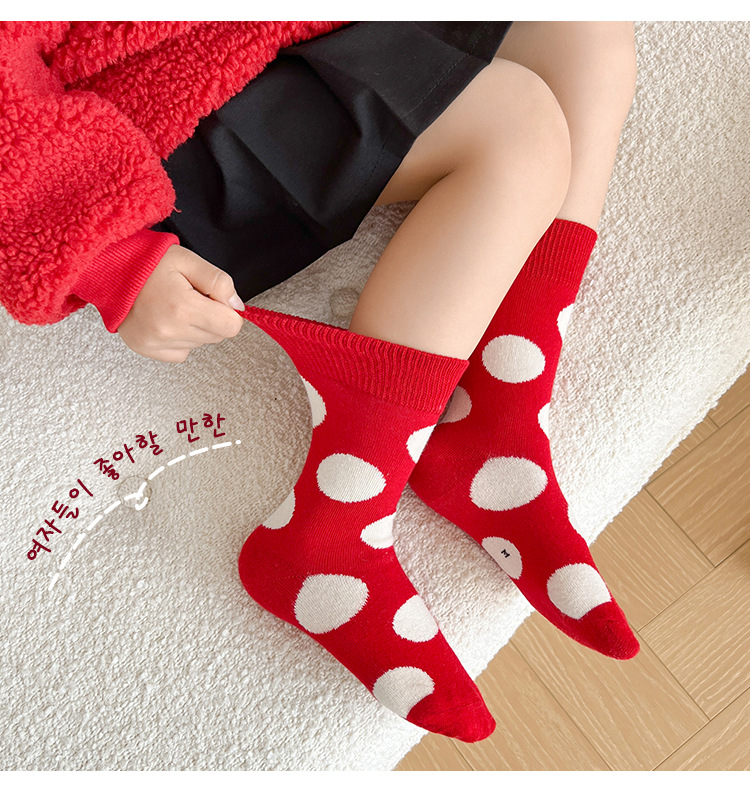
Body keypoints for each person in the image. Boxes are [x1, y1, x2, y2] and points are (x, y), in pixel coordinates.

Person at [2, 22, 639, 743]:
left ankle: (497, 407)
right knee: (518, 131)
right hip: (146, 131)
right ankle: (333, 526)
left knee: (587, 34)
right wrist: (104, 255)